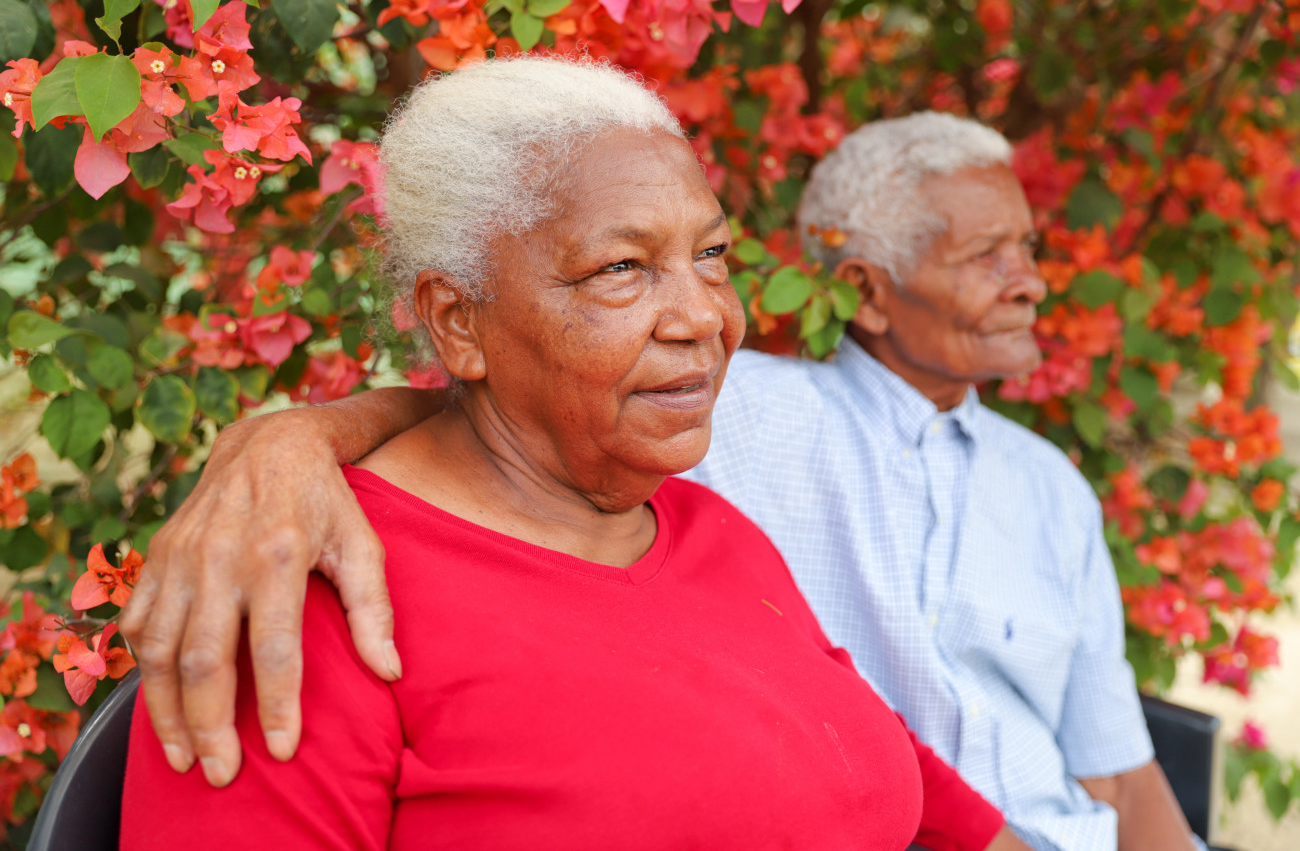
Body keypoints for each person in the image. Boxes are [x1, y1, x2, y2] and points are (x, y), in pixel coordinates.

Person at [117, 110, 1193, 850]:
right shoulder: (309, 594)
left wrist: (294, 435)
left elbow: (903, 776)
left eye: (711, 257)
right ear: (457, 320)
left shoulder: (704, 523)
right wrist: (285, 442)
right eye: (622, 268)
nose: (702, 317)